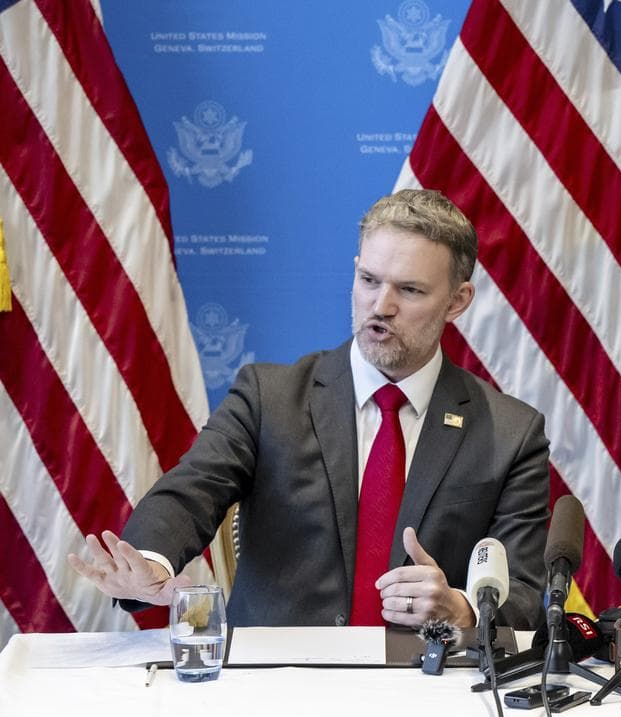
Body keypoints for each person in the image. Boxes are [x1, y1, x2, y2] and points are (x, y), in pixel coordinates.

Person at [69, 189, 550, 630]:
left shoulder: (510, 433)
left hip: (427, 678)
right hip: (281, 678)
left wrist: (463, 609)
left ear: (458, 301)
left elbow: (526, 594)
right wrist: (151, 561)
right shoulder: (269, 398)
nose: (380, 306)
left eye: (410, 290)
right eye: (368, 280)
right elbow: (194, 488)